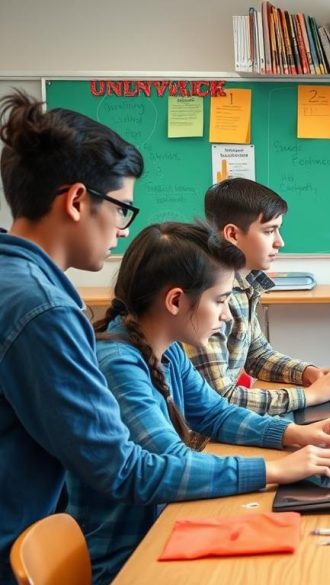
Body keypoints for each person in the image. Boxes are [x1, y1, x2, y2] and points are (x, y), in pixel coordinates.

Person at [0, 90, 221, 583]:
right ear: (78, 201)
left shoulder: (16, 282)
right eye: (122, 209)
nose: (123, 229)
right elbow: (123, 469)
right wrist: (273, 471)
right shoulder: (44, 308)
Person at [68, 222, 330, 584]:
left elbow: (216, 414)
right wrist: (275, 470)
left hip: (160, 536)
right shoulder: (119, 365)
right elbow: (170, 464)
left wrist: (297, 434)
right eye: (219, 300)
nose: (228, 314)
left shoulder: (164, 349)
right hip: (129, 562)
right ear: (175, 301)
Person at [183, 178, 330, 416]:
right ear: (232, 234)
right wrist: (309, 396)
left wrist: (309, 373)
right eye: (269, 231)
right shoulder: (208, 294)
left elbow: (257, 355)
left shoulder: (244, 285)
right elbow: (219, 398)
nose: (280, 242)